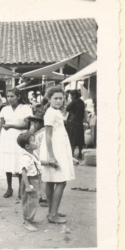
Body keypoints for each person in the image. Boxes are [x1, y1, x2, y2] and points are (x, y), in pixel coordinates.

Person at [39, 86, 75, 224]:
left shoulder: (56, 111)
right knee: (61, 181)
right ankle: (53, 214)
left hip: (60, 147)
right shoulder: (50, 113)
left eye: (61, 98)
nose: (59, 101)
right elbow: (47, 136)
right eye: (56, 98)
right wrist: (52, 156)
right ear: (49, 99)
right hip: (54, 149)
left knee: (51, 180)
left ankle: (51, 211)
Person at [0, 87, 33, 198]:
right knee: (8, 162)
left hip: (20, 138)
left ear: (18, 97)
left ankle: (20, 189)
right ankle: (9, 188)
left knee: (20, 162)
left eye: (12, 96)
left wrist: (11, 125)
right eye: (8, 96)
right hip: (6, 138)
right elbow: (1, 126)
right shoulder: (5, 109)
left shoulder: (25, 108)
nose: (10, 99)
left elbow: (27, 125)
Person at [16, 132, 42, 232]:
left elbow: (38, 163)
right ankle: (27, 221)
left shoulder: (33, 154)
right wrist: (27, 185)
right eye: (33, 140)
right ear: (27, 146)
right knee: (29, 201)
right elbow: (23, 172)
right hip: (30, 180)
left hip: (36, 179)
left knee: (34, 200)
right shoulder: (25, 157)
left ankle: (30, 218)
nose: (36, 142)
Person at [28, 106, 47, 206]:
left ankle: (44, 197)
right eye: (33, 123)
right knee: (39, 178)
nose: (34, 125)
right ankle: (41, 196)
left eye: (36, 123)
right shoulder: (38, 132)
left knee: (42, 178)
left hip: (41, 156)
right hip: (38, 156)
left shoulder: (42, 133)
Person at [66, 89, 85, 159]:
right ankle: (80, 153)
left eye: (71, 96)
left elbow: (67, 108)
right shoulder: (82, 102)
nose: (70, 97)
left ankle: (72, 154)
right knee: (80, 138)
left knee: (72, 138)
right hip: (80, 122)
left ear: (73, 96)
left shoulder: (73, 102)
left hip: (73, 122)